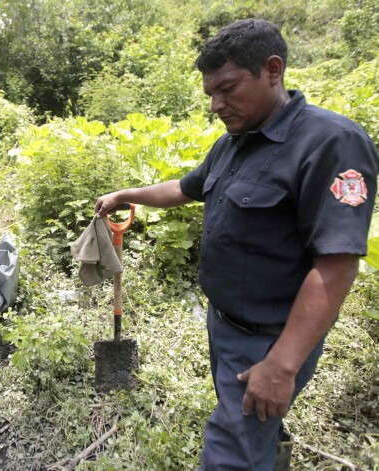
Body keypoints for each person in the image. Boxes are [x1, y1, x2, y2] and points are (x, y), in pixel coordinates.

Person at [95, 18, 378, 470]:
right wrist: (125, 195)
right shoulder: (235, 143)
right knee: (253, 431)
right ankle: (272, 451)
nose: (216, 105)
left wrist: (282, 366)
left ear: (272, 69)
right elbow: (184, 190)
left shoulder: (331, 142)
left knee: (230, 454)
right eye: (210, 93)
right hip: (224, 324)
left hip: (269, 340)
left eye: (227, 89)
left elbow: (336, 266)